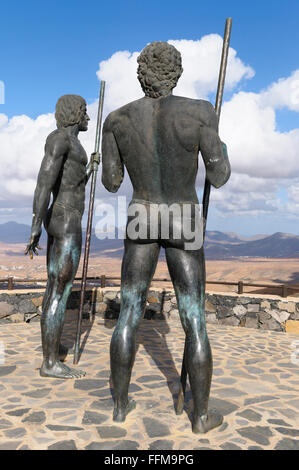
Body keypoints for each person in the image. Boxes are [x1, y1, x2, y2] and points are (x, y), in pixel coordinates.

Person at [102, 42, 231, 432]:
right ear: (176, 73)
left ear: (142, 74)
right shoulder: (199, 113)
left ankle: (121, 406)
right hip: (182, 217)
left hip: (141, 214)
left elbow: (111, 183)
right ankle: (201, 416)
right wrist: (217, 146)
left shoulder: (117, 120)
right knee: (194, 321)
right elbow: (219, 175)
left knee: (128, 313)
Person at [25, 94, 97, 379]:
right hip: (65, 220)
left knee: (54, 287)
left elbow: (73, 182)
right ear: (75, 113)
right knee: (59, 290)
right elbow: (44, 181)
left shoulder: (74, 144)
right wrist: (34, 223)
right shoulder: (59, 139)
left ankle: (52, 348)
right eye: (85, 112)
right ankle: (50, 363)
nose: (88, 118)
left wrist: (89, 168)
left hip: (65, 217)